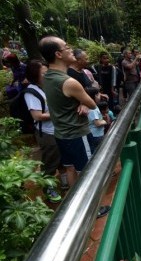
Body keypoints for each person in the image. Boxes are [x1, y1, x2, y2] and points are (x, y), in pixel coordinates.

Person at [38, 36, 110, 218]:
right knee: (87, 173)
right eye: (66, 47)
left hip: (61, 134)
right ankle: (93, 210)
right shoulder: (69, 82)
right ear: (58, 54)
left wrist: (82, 102)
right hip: (78, 134)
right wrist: (85, 102)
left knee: (70, 169)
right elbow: (93, 103)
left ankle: (74, 205)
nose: (71, 49)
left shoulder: (48, 77)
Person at [23, 59, 65, 203]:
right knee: (50, 162)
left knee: (61, 157)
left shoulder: (48, 86)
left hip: (58, 129)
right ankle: (48, 189)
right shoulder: (32, 92)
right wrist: (59, 113)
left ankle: (63, 181)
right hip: (47, 133)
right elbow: (37, 116)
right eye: (44, 73)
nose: (47, 75)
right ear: (35, 75)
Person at [86, 87, 107, 153]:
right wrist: (104, 121)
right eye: (98, 94)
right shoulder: (93, 109)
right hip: (96, 135)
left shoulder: (92, 106)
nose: (100, 96)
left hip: (94, 134)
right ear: (94, 96)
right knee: (98, 151)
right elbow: (97, 123)